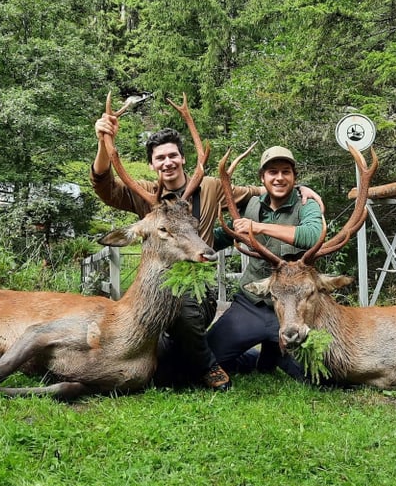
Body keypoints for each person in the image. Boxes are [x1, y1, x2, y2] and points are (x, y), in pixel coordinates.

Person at [91, 111, 322, 392]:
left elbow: (259, 191)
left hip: (199, 291)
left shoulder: (211, 187)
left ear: (183, 158)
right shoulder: (145, 194)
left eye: (173, 155)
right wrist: (104, 144)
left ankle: (208, 365)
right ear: (151, 164)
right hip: (156, 287)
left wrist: (299, 189)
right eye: (160, 158)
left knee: (183, 308)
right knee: (170, 363)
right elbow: (105, 187)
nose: (168, 162)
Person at [207, 145, 323, 377]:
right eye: (272, 172)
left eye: (286, 172)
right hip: (253, 304)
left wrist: (258, 227)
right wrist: (195, 244)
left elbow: (313, 235)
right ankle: (261, 357)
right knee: (210, 357)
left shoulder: (306, 204)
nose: (279, 177)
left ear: (294, 177)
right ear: (263, 177)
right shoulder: (251, 204)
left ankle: (276, 355)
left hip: (297, 307)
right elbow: (225, 235)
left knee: (318, 375)